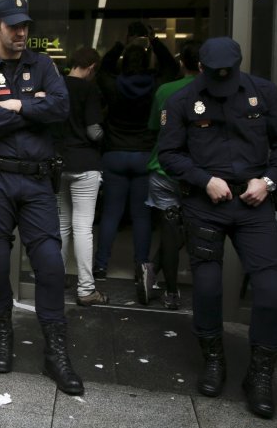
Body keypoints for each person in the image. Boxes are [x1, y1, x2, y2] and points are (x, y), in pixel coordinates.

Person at [157, 37, 277, 419]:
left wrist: (268, 181)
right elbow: (169, 154)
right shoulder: (183, 100)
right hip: (206, 204)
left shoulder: (263, 93)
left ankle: (260, 375)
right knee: (206, 287)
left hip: (254, 202)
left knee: (271, 289)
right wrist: (204, 180)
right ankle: (214, 361)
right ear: (201, 68)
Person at [0, 0, 83, 395]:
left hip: (36, 181)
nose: (20, 33)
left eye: (25, 25)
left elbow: (62, 108)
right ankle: (2, 333)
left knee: (49, 262)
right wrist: (34, 107)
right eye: (12, 26)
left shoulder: (44, 65)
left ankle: (56, 350)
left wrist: (16, 104)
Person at [94, 34, 177, 304]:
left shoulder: (113, 85)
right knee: (142, 217)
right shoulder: (155, 86)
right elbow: (171, 68)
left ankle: (101, 267)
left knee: (111, 214)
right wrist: (153, 41)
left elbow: (103, 69)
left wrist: (119, 43)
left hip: (115, 154)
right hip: (143, 154)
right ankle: (141, 267)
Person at [145, 40, 202, 310]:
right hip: (199, 173)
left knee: (169, 231)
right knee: (194, 230)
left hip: (163, 168)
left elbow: (156, 127)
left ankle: (168, 290)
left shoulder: (165, 90)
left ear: (182, 63)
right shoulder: (211, 91)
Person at [56, 46, 107, 306]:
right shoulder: (89, 89)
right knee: (83, 228)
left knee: (63, 225)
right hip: (85, 164)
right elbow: (93, 131)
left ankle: (56, 280)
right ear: (91, 67)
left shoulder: (57, 85)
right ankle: (86, 289)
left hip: (61, 162)